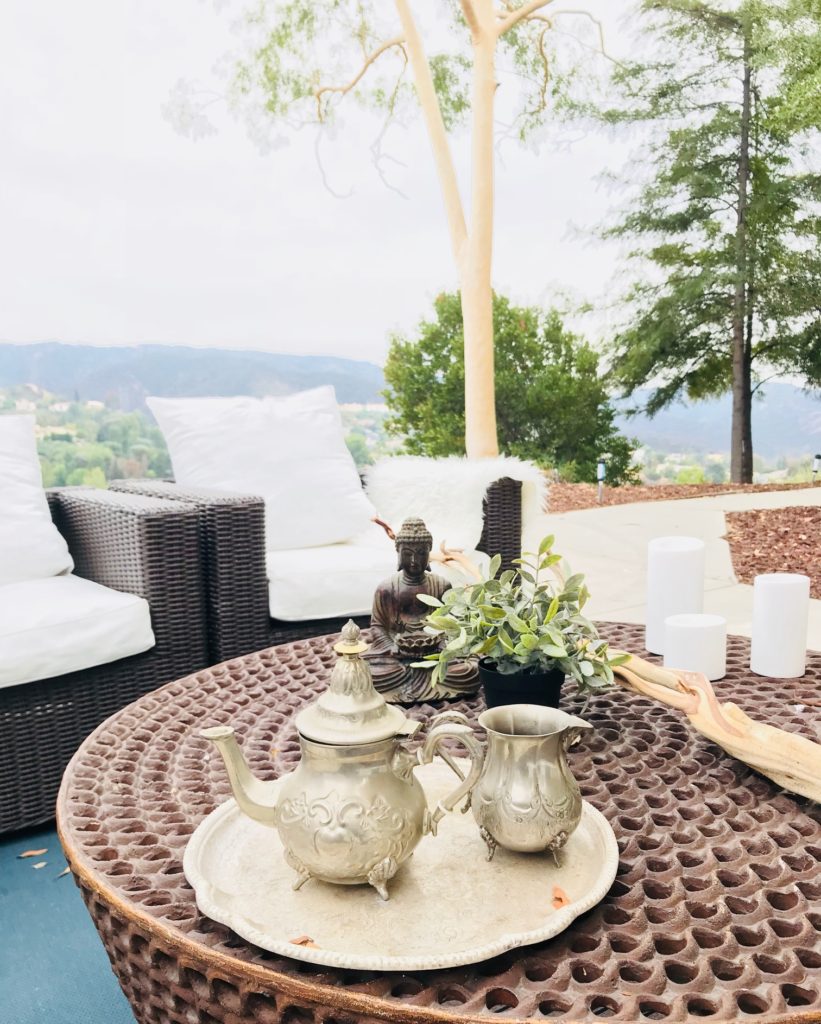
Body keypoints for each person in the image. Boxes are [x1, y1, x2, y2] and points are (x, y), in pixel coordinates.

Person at [364, 517, 478, 703]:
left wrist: (444, 645)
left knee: (469, 669)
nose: (415, 560)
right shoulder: (386, 588)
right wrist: (392, 646)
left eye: (421, 553)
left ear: (429, 552)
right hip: (398, 657)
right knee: (367, 672)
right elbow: (377, 627)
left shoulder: (441, 585)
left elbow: (452, 623)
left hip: (436, 654)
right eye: (408, 553)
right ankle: (421, 687)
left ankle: (414, 688)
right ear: (398, 552)